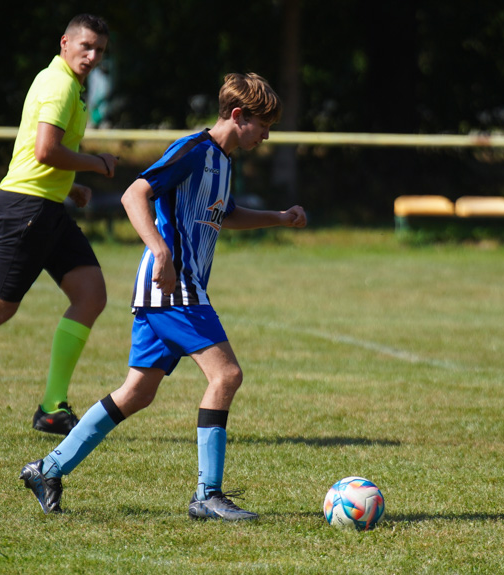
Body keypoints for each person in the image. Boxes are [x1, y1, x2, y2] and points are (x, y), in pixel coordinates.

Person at [20, 72, 307, 521]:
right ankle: (207, 495)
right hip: (174, 286)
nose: (266, 135)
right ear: (238, 115)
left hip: (168, 289)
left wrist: (278, 217)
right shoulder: (193, 151)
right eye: (263, 125)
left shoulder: (225, 162)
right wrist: (160, 251)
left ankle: (47, 468)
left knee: (136, 392)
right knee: (226, 375)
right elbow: (135, 194)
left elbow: (223, 214)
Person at [0, 14, 119, 439]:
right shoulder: (58, 84)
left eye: (100, 51)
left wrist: (71, 188)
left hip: (47, 207)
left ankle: (52, 409)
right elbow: (45, 149)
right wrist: (97, 163)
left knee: (90, 293)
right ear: (65, 43)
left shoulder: (68, 84)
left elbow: (41, 153)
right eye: (86, 46)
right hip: (27, 209)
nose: (92, 56)